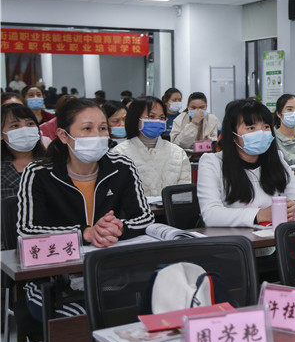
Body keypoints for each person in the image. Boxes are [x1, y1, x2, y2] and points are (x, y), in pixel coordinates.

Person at [18, 98, 154, 315]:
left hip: (108, 272)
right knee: (84, 317)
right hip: (53, 280)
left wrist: (117, 228)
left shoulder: (121, 167)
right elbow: (27, 230)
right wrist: (85, 233)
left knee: (142, 306)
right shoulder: (38, 173)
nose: (97, 136)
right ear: (63, 135)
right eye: (87, 129)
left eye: (102, 128)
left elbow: (145, 217)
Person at [197, 98, 295, 227]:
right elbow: (211, 214)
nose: (261, 133)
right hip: (234, 238)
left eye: (266, 127)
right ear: (233, 136)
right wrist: (260, 214)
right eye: (251, 128)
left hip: (271, 235)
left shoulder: (276, 159)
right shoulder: (212, 162)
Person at [110, 96, 191, 197]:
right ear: (135, 118)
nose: (157, 121)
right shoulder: (119, 153)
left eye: (161, 118)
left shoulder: (178, 153)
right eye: (151, 116)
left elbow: (185, 194)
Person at [1, 103, 45, 200]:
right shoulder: (2, 168)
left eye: (30, 124)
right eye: (15, 125)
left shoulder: (53, 163)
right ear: (1, 134)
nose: (24, 130)